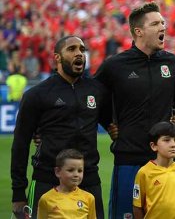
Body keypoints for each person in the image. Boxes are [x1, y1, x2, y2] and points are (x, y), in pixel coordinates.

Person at [95, 2, 175, 218]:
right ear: (139, 31)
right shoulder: (115, 65)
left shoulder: (172, 63)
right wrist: (108, 123)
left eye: (163, 22)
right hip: (129, 159)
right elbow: (91, 98)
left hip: (164, 162)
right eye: (155, 23)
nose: (163, 27)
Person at [11, 36, 108, 218]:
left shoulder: (97, 90)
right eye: (71, 49)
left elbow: (113, 122)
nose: (79, 53)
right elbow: (20, 144)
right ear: (57, 57)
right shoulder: (37, 95)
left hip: (88, 180)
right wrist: (18, 193)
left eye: (81, 49)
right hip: (47, 180)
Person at [132, 122, 175, 218]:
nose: (173, 145)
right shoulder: (144, 172)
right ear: (154, 146)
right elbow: (137, 206)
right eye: (167, 140)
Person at [36, 149, 97, 219]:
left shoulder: (89, 198)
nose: (76, 174)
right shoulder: (46, 199)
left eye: (80, 171)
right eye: (70, 170)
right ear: (58, 172)